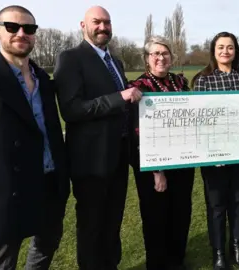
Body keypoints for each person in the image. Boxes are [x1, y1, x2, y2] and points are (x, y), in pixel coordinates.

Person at [0, 5, 69, 270]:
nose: (21, 34)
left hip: (48, 184)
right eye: (12, 27)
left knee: (46, 246)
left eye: (29, 28)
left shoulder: (43, 80)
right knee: (1, 262)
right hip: (7, 191)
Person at [53, 6, 142, 270]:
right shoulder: (69, 58)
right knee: (92, 225)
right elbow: (71, 109)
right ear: (83, 25)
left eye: (107, 22)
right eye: (97, 22)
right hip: (90, 160)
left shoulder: (116, 61)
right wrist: (120, 98)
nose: (103, 27)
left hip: (118, 156)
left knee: (113, 222)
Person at [127, 36, 195, 270]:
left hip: (183, 162)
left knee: (181, 213)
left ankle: (177, 261)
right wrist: (157, 171)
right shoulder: (138, 88)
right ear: (147, 59)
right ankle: (157, 263)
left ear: (171, 58)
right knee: (156, 217)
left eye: (165, 53)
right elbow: (138, 133)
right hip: (153, 166)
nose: (160, 57)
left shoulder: (180, 82)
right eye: (155, 54)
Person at [191, 31, 239, 270]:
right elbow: (199, 120)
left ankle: (237, 247)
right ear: (213, 51)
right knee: (217, 205)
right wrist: (211, 152)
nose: (225, 51)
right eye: (221, 47)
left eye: (230, 47)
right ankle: (218, 252)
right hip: (214, 156)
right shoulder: (203, 80)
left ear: (236, 51)